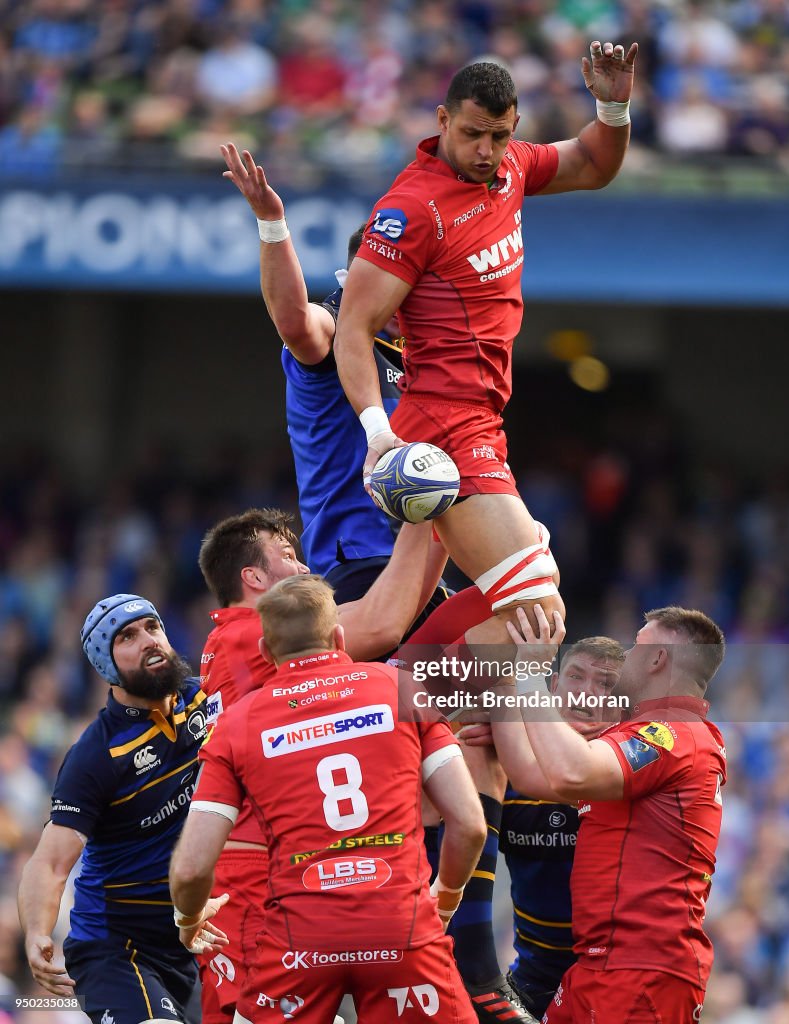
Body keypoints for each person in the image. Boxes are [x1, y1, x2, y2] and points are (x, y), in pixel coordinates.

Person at [334, 46, 638, 644]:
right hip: (445, 428)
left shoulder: (512, 168)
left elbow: (594, 164)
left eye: (498, 136)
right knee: (536, 614)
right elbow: (352, 326)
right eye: (472, 134)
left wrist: (613, 104)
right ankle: (413, 713)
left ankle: (351, 690)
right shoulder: (410, 209)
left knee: (386, 624)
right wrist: (377, 432)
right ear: (443, 120)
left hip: (481, 420)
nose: (484, 151)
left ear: (514, 128)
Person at [169, 574, 487, 1024]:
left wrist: (188, 920)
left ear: (266, 652)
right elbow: (470, 824)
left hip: (300, 941)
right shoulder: (400, 687)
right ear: (339, 636)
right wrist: (447, 897)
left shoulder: (238, 724)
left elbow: (192, 867)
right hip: (402, 926)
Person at [464, 605, 726, 1023]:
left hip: (639, 970)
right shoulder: (644, 737)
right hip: (598, 968)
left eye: (637, 645)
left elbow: (570, 771)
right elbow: (535, 773)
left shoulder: (670, 734)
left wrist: (529, 677)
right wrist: (503, 711)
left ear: (657, 657)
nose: (629, 654)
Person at [220, 142, 450, 612]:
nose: (403, 296)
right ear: (355, 280)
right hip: (359, 561)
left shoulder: (421, 352)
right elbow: (294, 323)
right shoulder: (334, 329)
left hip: (421, 558)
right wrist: (272, 223)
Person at [17, 594, 223, 1024]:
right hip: (118, 948)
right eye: (127, 636)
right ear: (105, 665)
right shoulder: (94, 754)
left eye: (152, 627)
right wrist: (37, 932)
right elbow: (50, 863)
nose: (148, 640)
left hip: (197, 935)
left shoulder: (208, 695)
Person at [461, 637, 625, 1019]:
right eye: (575, 676)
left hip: (611, 976)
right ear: (552, 687)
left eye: (605, 684)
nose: (586, 692)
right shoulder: (507, 765)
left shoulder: (631, 764)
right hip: (533, 977)